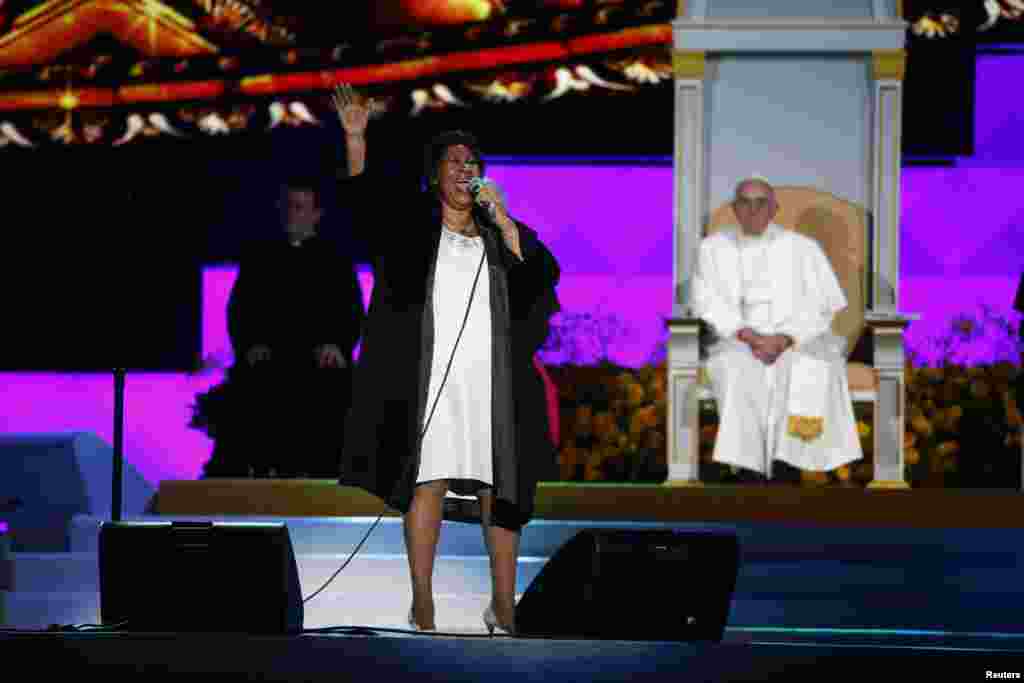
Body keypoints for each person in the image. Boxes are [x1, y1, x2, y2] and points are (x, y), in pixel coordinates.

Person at [330, 84, 560, 635]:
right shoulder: (410, 229)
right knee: (427, 481)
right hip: (427, 379)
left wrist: (504, 224)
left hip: (491, 383)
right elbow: (361, 210)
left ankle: (504, 603)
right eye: (454, 162)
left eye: (472, 162)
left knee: (496, 487)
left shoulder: (502, 233)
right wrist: (356, 138)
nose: (464, 169)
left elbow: (544, 278)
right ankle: (423, 601)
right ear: (435, 175)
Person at [192, 176, 365, 478]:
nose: (291, 214)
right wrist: (250, 346)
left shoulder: (335, 259)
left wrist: (337, 345)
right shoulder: (260, 257)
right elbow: (240, 311)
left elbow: (351, 312)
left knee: (335, 394)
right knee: (250, 392)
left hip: (320, 362)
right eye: (287, 207)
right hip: (271, 359)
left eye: (299, 207)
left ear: (316, 214)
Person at [692, 177, 862, 481]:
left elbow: (824, 306)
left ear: (774, 209)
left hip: (796, 341)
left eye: (762, 203)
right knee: (739, 369)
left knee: (800, 369)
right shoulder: (712, 248)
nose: (753, 210)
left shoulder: (804, 248)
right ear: (734, 208)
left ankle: (789, 467)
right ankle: (748, 471)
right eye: (745, 202)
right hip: (738, 341)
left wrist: (783, 339)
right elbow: (707, 302)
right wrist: (750, 337)